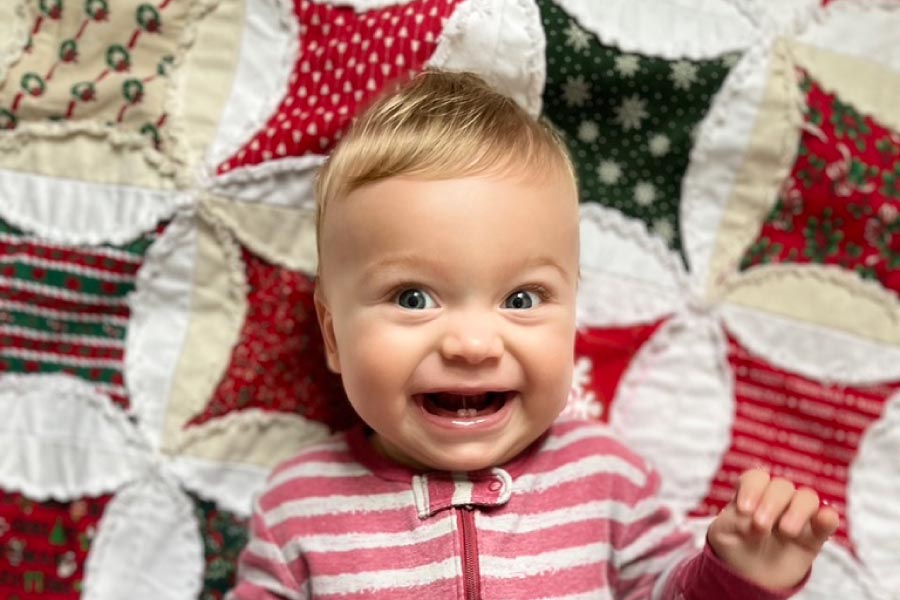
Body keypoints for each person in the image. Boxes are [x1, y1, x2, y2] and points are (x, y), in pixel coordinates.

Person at [228, 70, 839, 599]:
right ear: (333, 337)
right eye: (413, 299)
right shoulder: (299, 507)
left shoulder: (606, 481)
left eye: (521, 299)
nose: (472, 345)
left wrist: (739, 574)